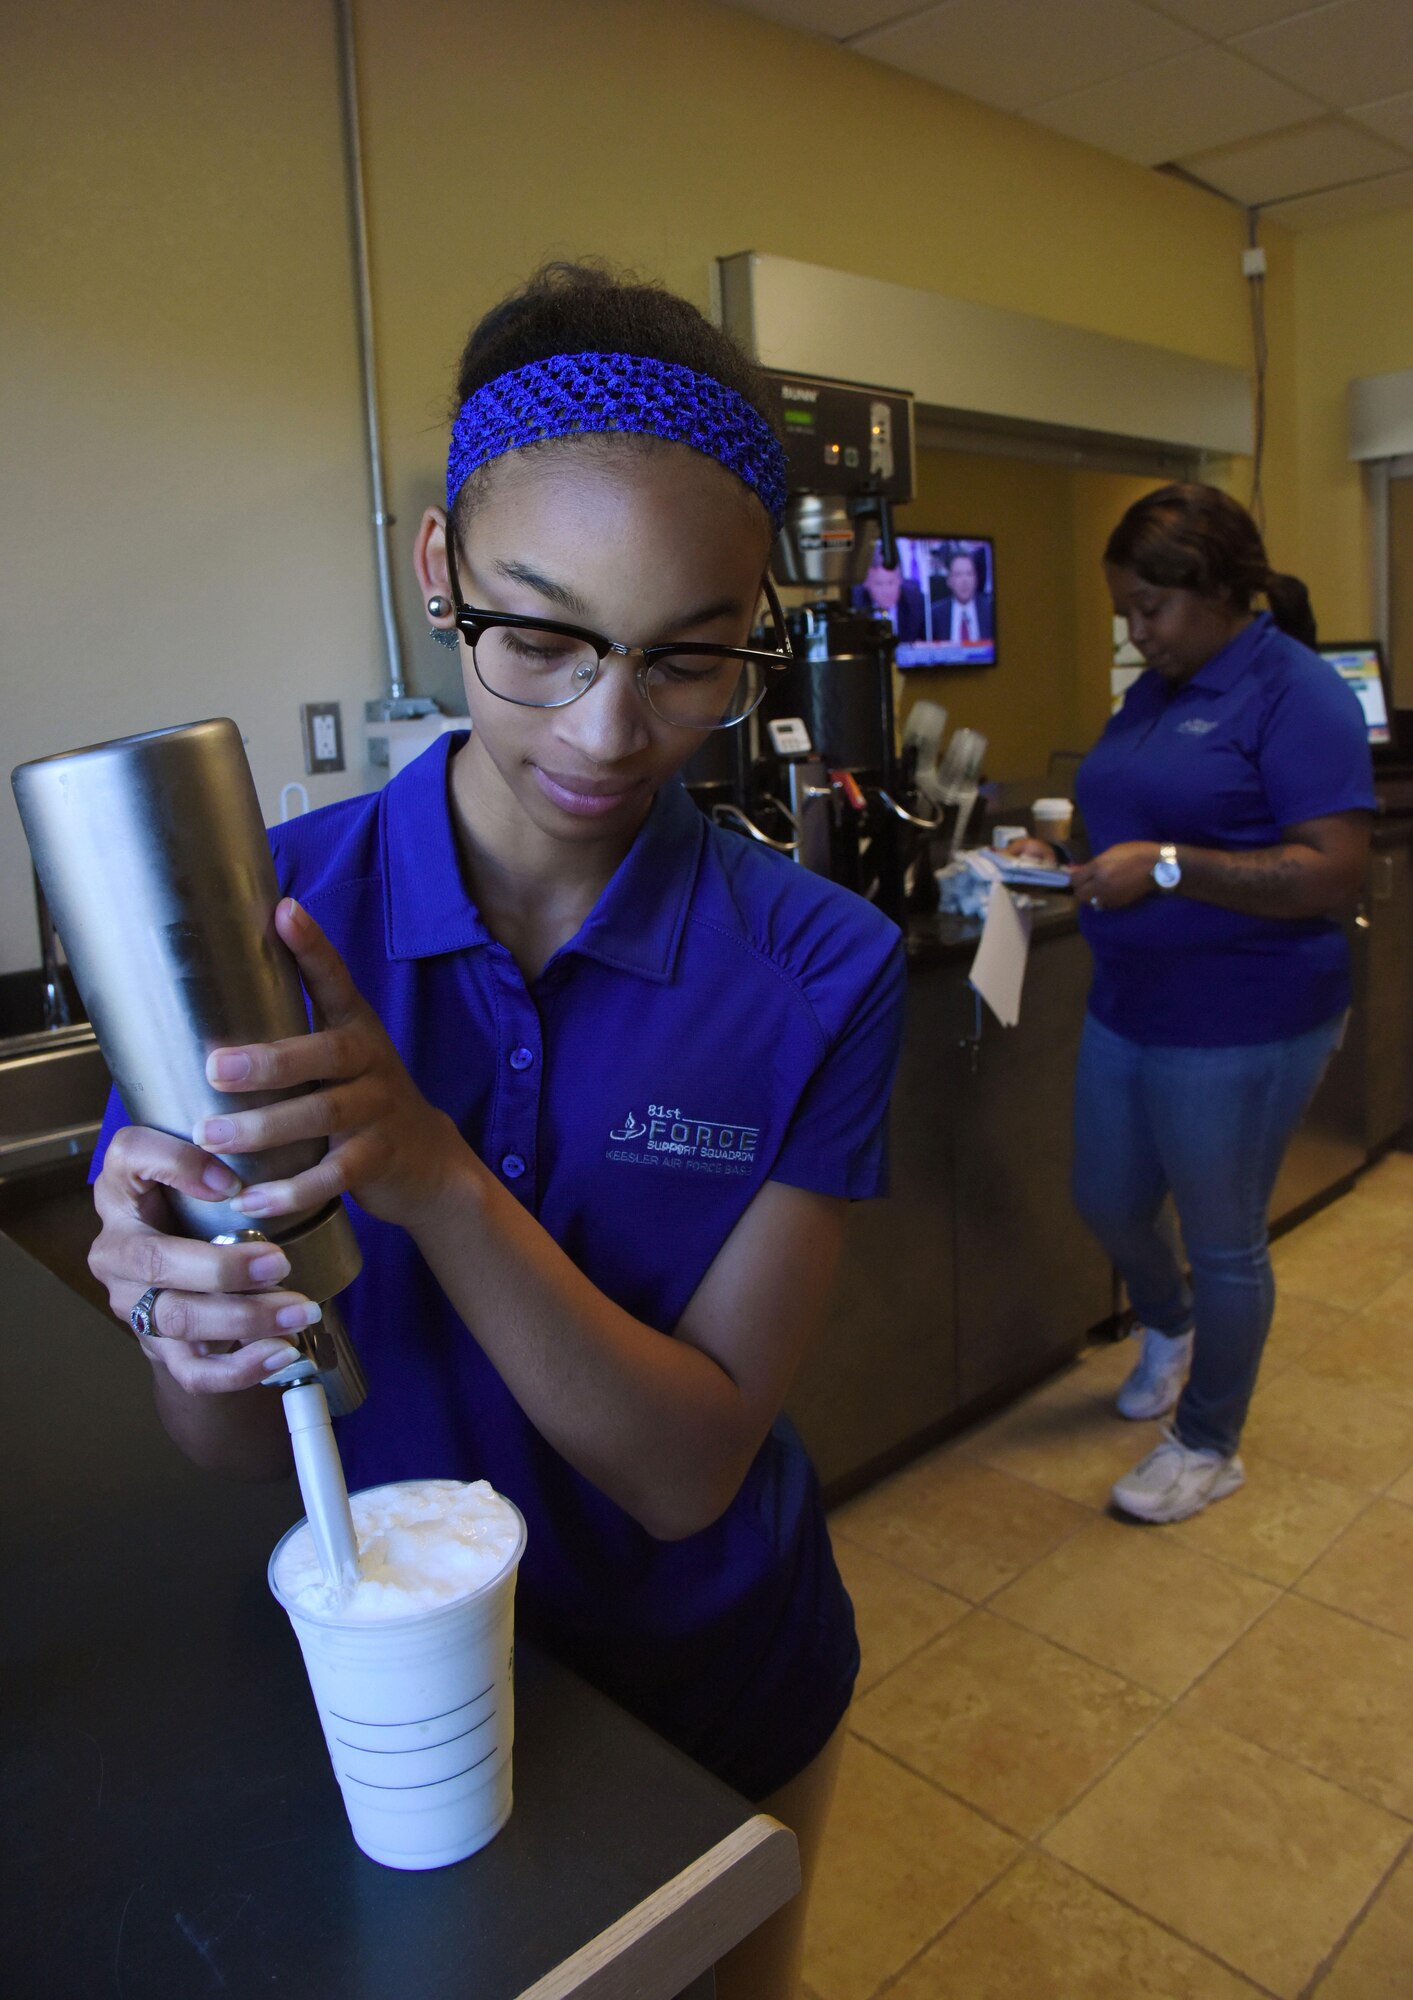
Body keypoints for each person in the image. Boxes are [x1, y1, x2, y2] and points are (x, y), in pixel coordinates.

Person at [86, 263, 906, 1996]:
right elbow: (238, 1448)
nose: (606, 735)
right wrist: (186, 1322)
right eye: (536, 637)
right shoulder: (246, 925)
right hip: (387, 1679)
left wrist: (434, 1177)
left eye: (688, 661)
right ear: (439, 573)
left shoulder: (820, 966)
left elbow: (689, 1472)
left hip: (713, 1691)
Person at [1011, 483, 1374, 1524]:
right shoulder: (1158, 686)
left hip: (1246, 1011)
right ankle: (1166, 1327)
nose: (1135, 632)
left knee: (1225, 1239)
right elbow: (1133, 815)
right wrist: (1065, 859)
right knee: (1109, 1199)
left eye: (1149, 610)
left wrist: (1166, 868)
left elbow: (1328, 869)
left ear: (1218, 591)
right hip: (1132, 997)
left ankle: (1210, 1441)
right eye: (1125, 610)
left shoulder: (1294, 691)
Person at [851, 545, 927, 640]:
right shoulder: (854, 604)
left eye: (891, 582)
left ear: (900, 580)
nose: (886, 591)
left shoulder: (916, 603)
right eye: (879, 584)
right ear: (866, 584)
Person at [929, 548, 994, 644]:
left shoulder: (990, 611)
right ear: (949, 580)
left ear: (976, 579)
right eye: (958, 575)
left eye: (969, 574)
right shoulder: (934, 615)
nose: (964, 581)